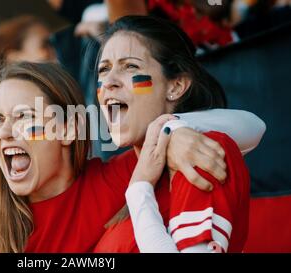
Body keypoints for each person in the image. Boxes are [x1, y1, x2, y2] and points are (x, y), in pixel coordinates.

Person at [0, 62, 263, 253]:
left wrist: (176, 131)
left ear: (68, 130)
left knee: (208, 145)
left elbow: (251, 127)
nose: (6, 132)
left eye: (25, 118)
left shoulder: (113, 179)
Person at [93, 15, 264, 252]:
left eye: (130, 66)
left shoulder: (199, 151)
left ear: (176, 86)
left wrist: (139, 190)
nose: (109, 81)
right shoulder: (123, 169)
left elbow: (255, 126)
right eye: (103, 69)